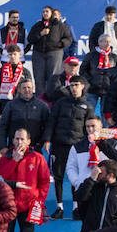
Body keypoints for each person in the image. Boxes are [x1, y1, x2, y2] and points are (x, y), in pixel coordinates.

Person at [0, 129, 49, 232]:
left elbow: (44, 182)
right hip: (8, 206)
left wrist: (38, 201)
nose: (19, 142)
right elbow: (1, 179)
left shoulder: (37, 158)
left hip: (28, 207)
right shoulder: (6, 158)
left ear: (28, 141)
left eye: (22, 139)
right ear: (12, 140)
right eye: (16, 138)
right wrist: (14, 161)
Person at [46, 76, 93, 217]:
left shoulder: (88, 107)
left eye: (76, 85)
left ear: (82, 86)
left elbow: (89, 129)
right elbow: (51, 122)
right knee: (58, 176)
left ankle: (76, 207)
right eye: (71, 85)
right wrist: (47, 139)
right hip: (59, 145)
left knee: (76, 177)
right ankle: (59, 207)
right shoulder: (60, 104)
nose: (73, 88)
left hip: (77, 147)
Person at [75, 159, 117, 232]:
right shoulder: (93, 185)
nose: (97, 174)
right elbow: (79, 197)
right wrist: (91, 179)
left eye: (101, 173)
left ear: (111, 175)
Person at [27, 5, 72, 84]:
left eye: (47, 11)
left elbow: (68, 39)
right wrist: (40, 34)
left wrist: (59, 44)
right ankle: (40, 96)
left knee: (53, 78)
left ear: (52, 13)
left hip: (54, 53)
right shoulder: (37, 25)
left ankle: (52, 95)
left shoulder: (60, 25)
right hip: (39, 54)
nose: (45, 13)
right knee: (39, 78)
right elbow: (30, 39)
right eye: (43, 12)